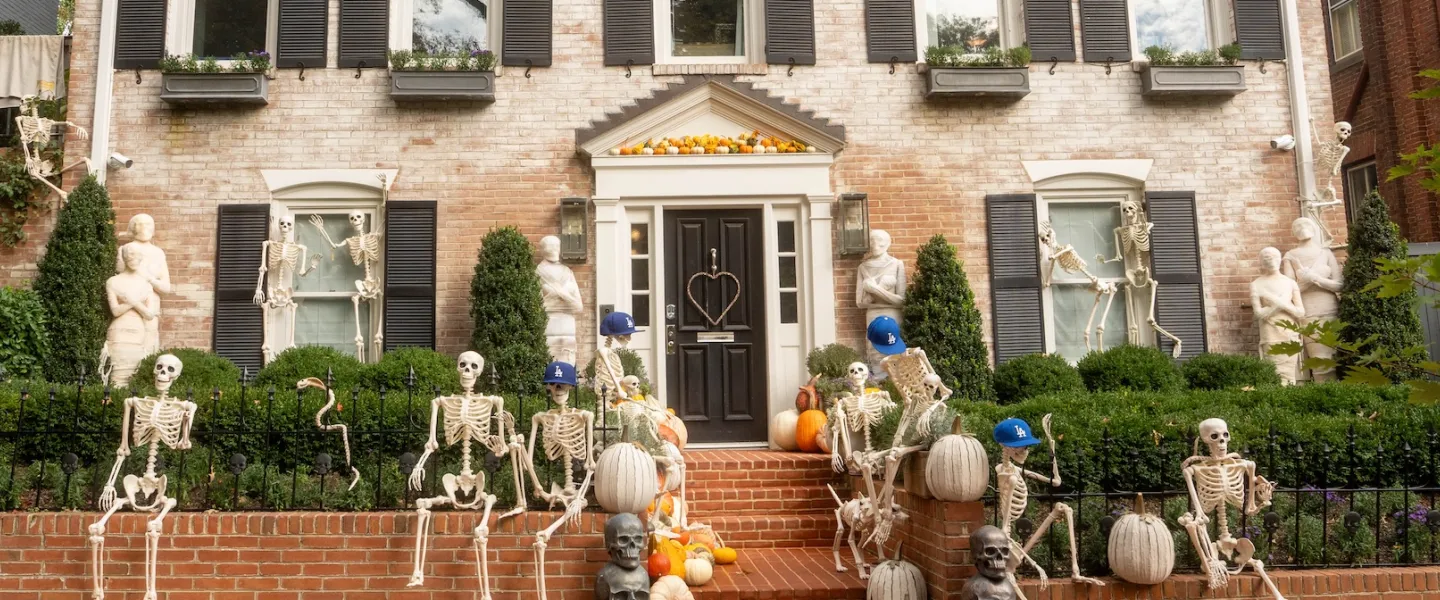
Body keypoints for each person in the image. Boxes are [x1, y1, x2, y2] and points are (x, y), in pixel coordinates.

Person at [1281, 217, 1341, 382]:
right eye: (1297, 226)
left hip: (1330, 309)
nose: (1302, 227)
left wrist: (1315, 278)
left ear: (1314, 228)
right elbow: (1289, 290)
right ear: (1293, 232)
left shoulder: (1325, 253)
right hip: (1309, 311)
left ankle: (1336, 392)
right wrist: (1306, 281)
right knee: (1319, 360)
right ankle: (1324, 391)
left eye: (1306, 224)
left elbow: (1339, 285)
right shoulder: (1291, 256)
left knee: (1333, 357)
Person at [102, 246, 160, 387]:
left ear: (141, 258)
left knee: (133, 371)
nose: (133, 259)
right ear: (124, 258)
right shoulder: (113, 281)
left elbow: (149, 314)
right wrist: (133, 302)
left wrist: (132, 301)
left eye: (136, 256)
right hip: (119, 330)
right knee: (117, 373)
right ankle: (114, 398)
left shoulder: (146, 285)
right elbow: (115, 311)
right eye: (129, 256)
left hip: (137, 331)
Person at [115, 214, 170, 355]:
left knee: (149, 346)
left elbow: (166, 288)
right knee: (128, 345)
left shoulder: (158, 253)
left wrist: (149, 279)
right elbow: (120, 279)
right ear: (133, 228)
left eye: (148, 224)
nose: (145, 228)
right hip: (129, 305)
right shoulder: (125, 249)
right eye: (140, 224)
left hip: (151, 306)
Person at [1253, 247, 1306, 385]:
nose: (1271, 261)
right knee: (1275, 372)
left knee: (1289, 373)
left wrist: (1280, 303)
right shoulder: (1256, 284)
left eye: (1275, 257)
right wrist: (1278, 303)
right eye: (1267, 258)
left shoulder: (1290, 283)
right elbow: (1259, 313)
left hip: (1289, 331)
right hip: (1270, 332)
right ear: (1261, 262)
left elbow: (1300, 312)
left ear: (1280, 259)